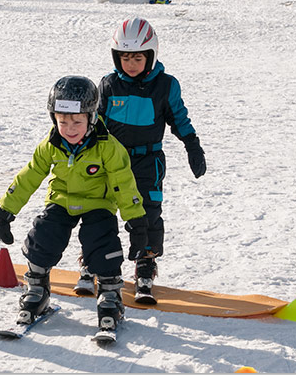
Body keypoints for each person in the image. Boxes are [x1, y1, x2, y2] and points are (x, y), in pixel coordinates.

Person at [0, 76, 149, 333]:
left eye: (77, 121)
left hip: (99, 203)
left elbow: (124, 183)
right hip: (61, 200)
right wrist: (5, 209)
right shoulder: (52, 144)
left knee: (101, 241)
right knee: (43, 235)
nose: (70, 128)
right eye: (62, 121)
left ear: (91, 117)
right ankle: (37, 290)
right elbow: (30, 175)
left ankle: (110, 295)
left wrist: (136, 220)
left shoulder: (108, 147)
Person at [73, 17, 207, 305]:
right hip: (110, 161)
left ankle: (145, 267)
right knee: (100, 211)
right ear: (115, 57)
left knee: (147, 214)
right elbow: (95, 123)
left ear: (151, 55)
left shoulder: (165, 85)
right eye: (124, 57)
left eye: (137, 57)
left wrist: (193, 146)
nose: (131, 63)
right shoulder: (108, 85)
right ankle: (93, 262)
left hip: (147, 161)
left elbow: (179, 119)